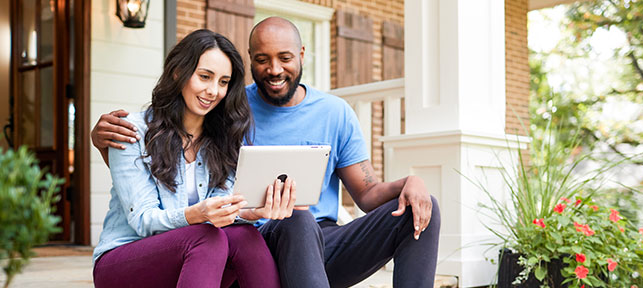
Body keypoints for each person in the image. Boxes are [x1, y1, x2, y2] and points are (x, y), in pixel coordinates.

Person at [92, 17, 441, 288]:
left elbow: (366, 194)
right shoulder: (229, 112)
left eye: (284, 58)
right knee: (285, 220)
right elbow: (146, 198)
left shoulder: (327, 113)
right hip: (249, 240)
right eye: (262, 59)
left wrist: (409, 182)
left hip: (310, 243)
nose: (274, 69)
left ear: (302, 56)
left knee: (421, 208)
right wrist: (101, 140)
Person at [92, 29, 291, 288]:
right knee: (207, 237)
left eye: (223, 82)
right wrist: (195, 214)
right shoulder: (131, 131)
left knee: (244, 236)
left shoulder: (223, 139)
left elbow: (222, 207)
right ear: (179, 72)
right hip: (123, 260)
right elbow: (143, 220)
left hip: (196, 255)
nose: (213, 91)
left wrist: (254, 212)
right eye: (205, 77)